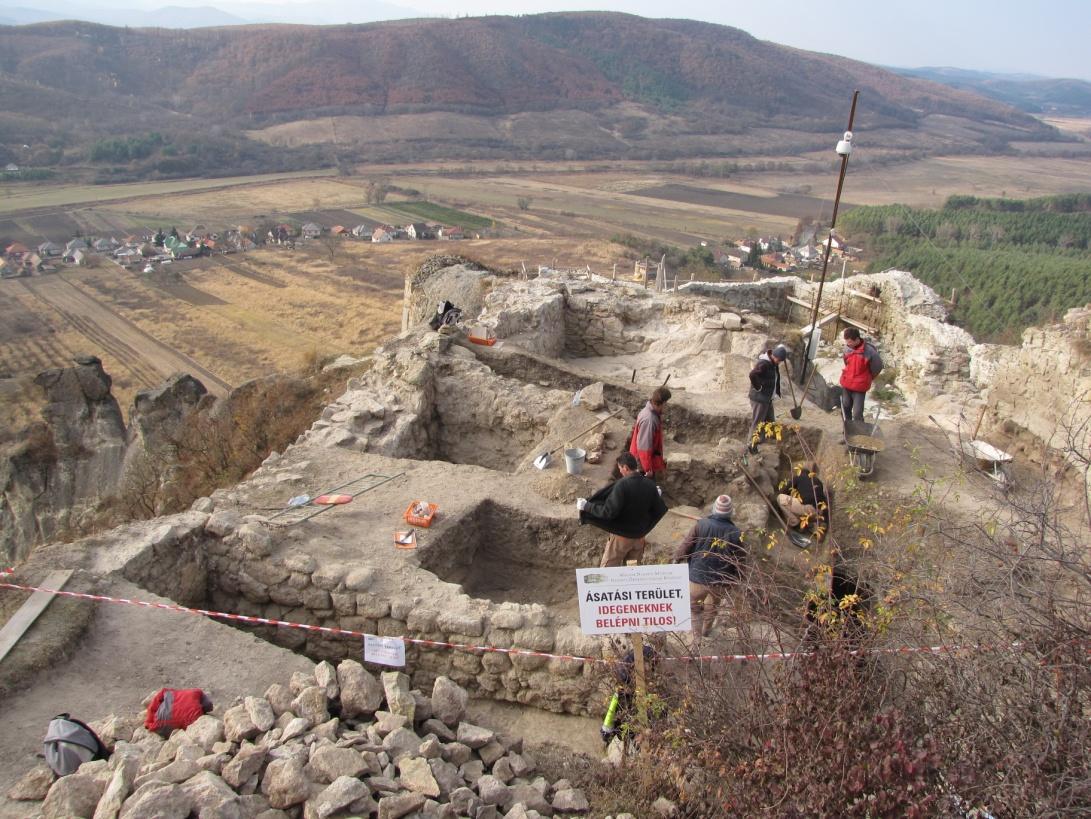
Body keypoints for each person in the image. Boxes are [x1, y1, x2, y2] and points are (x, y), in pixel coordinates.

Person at [672, 494, 744, 643]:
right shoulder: (736, 533)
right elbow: (740, 561)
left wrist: (676, 560)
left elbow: (686, 545)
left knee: (694, 608)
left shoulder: (702, 525)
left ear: (714, 509)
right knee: (712, 608)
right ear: (730, 512)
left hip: (697, 578)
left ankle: (697, 638)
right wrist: (739, 580)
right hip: (720, 581)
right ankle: (706, 632)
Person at [578, 452, 668, 567]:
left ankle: (610, 586)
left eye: (620, 468)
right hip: (639, 540)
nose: (620, 471)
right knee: (632, 570)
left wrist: (586, 506)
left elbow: (608, 512)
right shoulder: (650, 485)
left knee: (608, 571)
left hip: (621, 539)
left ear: (625, 467)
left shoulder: (622, 485)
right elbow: (659, 509)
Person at [748, 344, 788, 453]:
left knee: (770, 420)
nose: (778, 362)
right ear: (773, 356)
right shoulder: (763, 364)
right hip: (759, 399)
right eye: (778, 360)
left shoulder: (773, 363)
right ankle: (751, 445)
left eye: (780, 361)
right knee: (758, 422)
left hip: (767, 399)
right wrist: (758, 387)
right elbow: (752, 375)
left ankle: (764, 440)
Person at [839, 327, 883, 422]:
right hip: (847, 383)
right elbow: (846, 363)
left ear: (857, 339)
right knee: (845, 406)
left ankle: (859, 433)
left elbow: (878, 366)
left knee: (857, 412)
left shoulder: (869, 352)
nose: (848, 344)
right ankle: (848, 429)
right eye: (847, 341)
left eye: (850, 342)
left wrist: (867, 377)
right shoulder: (847, 349)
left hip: (860, 386)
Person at [629, 386, 671, 481]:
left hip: (645, 461)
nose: (667, 406)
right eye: (667, 403)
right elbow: (644, 448)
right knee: (645, 489)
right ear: (663, 403)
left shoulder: (650, 412)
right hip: (641, 465)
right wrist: (648, 469)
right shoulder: (649, 420)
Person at [777, 461, 828, 538]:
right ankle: (813, 525)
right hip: (820, 513)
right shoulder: (818, 481)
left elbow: (785, 491)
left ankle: (796, 524)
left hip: (807, 509)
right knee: (805, 503)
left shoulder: (798, 477)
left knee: (780, 498)